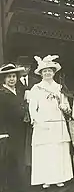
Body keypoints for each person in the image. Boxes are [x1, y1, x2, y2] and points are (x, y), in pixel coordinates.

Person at [29, 55, 73, 189]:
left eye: (50, 70)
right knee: (45, 151)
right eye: (44, 71)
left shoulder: (60, 88)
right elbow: (32, 108)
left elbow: (67, 106)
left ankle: (60, 177)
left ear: (54, 72)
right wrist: (39, 121)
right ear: (41, 73)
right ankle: (46, 179)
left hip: (57, 124)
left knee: (58, 150)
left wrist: (64, 107)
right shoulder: (36, 88)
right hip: (43, 124)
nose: (47, 73)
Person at [0, 64, 27, 192]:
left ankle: (16, 185)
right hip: (7, 130)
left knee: (16, 156)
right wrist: (2, 132)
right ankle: (6, 187)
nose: (12, 79)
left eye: (14, 76)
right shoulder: (2, 94)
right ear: (4, 79)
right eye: (9, 77)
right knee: (7, 157)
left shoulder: (18, 91)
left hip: (18, 129)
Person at [15, 56, 40, 184]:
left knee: (30, 141)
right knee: (20, 142)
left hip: (32, 117)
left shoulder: (36, 81)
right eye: (22, 67)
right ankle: (21, 169)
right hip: (18, 118)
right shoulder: (13, 82)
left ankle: (31, 166)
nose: (25, 69)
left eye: (27, 67)